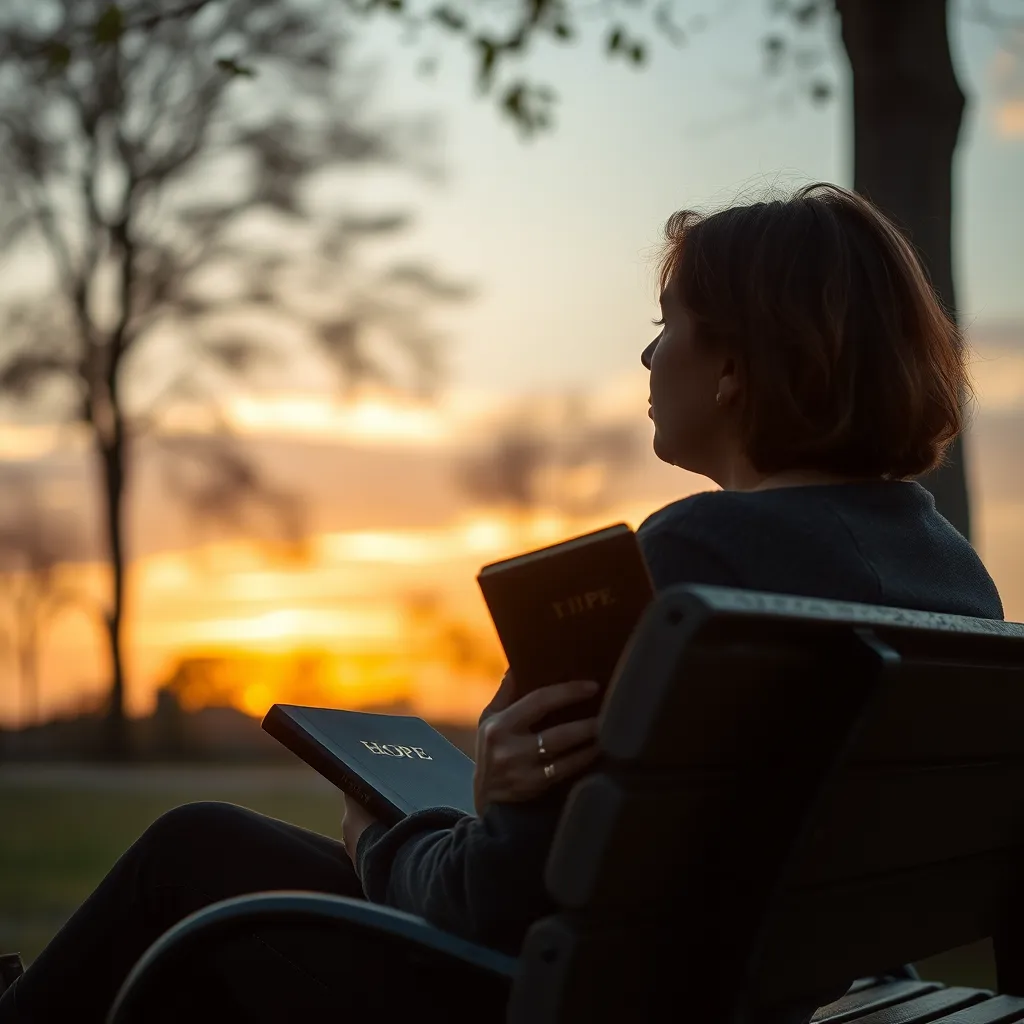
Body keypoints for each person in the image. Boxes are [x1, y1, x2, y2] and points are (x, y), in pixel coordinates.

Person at [0, 182, 1003, 1022]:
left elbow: (486, 907)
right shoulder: (951, 575)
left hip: (571, 1003)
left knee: (199, 849)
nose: (649, 360)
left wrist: (387, 837)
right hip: (768, 991)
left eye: (667, 330)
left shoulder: (686, 568)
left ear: (735, 365)